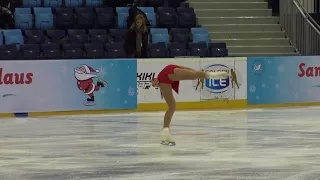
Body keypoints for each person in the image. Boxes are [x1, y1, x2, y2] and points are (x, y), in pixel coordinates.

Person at [151, 64, 229, 146]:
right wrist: (156, 84)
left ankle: (165, 132)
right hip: (166, 75)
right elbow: (191, 73)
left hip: (164, 77)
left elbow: (191, 72)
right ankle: (211, 75)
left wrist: (156, 84)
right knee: (193, 76)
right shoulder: (174, 71)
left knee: (172, 106)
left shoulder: (174, 71)